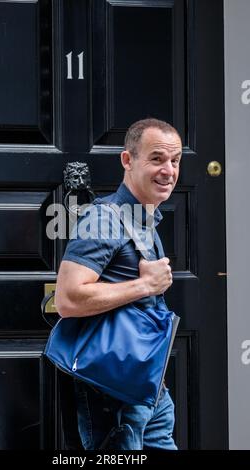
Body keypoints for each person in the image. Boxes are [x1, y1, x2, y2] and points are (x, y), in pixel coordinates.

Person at [54, 118, 182, 450]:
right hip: (111, 394)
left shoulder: (145, 218)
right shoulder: (103, 219)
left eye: (175, 160)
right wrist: (145, 286)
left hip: (146, 390)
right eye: (157, 159)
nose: (168, 170)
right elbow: (68, 299)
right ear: (128, 160)